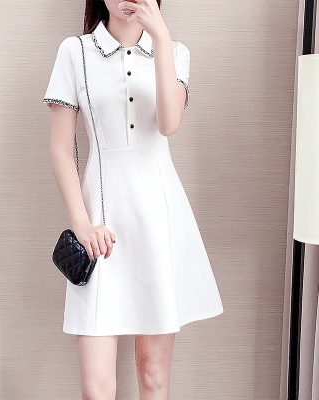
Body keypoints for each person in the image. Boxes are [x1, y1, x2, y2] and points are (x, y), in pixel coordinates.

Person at [43, 0, 224, 398]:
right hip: (99, 228)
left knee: (153, 374)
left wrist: (160, 37)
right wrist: (81, 224)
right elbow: (60, 149)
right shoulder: (75, 52)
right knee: (96, 388)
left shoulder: (174, 51)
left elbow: (168, 124)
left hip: (158, 220)